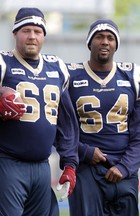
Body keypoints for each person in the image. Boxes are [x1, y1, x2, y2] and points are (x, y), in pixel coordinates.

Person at [66, 19, 140, 216]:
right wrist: (85, 152)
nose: (105, 42)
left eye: (110, 38)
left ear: (116, 44)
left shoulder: (132, 74)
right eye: (99, 37)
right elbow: (60, 128)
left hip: (124, 170)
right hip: (86, 169)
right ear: (90, 42)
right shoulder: (70, 75)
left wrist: (126, 166)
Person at [0, 7, 79, 216]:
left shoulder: (57, 68)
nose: (32, 36)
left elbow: (67, 123)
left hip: (43, 167)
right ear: (15, 33)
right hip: (8, 164)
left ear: (44, 35)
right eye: (26, 30)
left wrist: (70, 164)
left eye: (37, 31)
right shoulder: (3, 63)